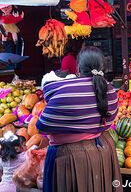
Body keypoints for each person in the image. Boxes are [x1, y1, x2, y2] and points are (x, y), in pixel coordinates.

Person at [37, 46, 122, 192]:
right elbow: (109, 119)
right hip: (103, 151)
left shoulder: (63, 92)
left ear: (77, 69)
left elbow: (42, 126)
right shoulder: (110, 90)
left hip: (70, 156)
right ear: (103, 67)